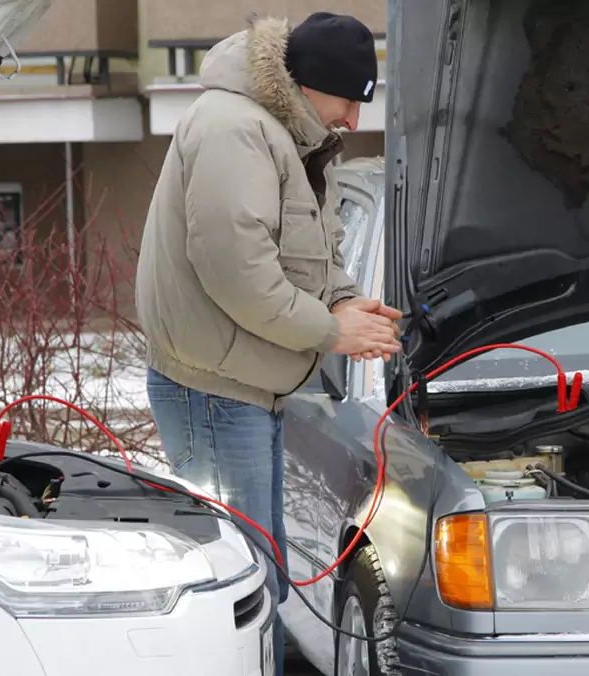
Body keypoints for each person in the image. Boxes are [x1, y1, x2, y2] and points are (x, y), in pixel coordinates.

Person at [133, 12, 401, 676]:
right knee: (235, 587)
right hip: (213, 391)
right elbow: (238, 273)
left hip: (249, 386)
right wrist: (332, 330)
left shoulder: (295, 134)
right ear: (313, 86)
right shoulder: (233, 130)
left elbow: (319, 248)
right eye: (349, 101)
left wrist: (343, 297)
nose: (354, 119)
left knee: (262, 575)